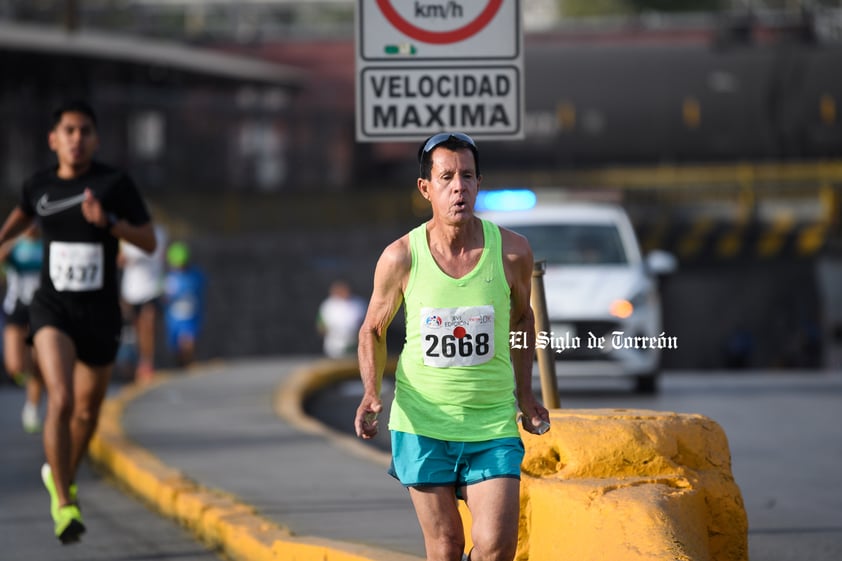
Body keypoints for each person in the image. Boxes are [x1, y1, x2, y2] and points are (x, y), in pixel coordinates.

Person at [353, 132, 550, 561]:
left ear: (480, 183)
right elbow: (373, 328)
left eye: (467, 176)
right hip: (422, 424)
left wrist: (527, 393)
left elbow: (522, 319)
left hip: (492, 424)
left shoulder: (513, 252)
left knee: (497, 548)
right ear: (426, 189)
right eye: (446, 178)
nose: (458, 187)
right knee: (445, 548)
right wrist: (371, 392)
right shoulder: (401, 257)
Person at [0, 100, 157, 544]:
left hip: (100, 313)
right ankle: (66, 502)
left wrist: (108, 222)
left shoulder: (114, 184)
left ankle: (61, 475)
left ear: (96, 138)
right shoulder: (39, 187)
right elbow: (10, 231)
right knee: (63, 398)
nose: (76, 138)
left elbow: (146, 239)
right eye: (68, 130)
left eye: (85, 130)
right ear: (54, 139)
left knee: (88, 412)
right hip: (53, 309)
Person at [1, 225, 45, 433]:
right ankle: (27, 374)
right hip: (16, 308)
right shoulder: (15, 246)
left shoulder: (47, 246)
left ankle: (32, 407)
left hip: (41, 309)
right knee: (15, 365)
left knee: (39, 364)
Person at [119, 225, 167, 383]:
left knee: (149, 324)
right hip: (132, 290)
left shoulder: (159, 233)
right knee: (138, 328)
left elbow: (162, 258)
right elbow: (120, 260)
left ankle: (147, 362)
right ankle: (140, 360)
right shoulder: (125, 235)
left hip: (152, 288)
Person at [163, 241, 205, 368]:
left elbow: (201, 291)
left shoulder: (196, 275)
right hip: (174, 319)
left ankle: (190, 363)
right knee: (176, 348)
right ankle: (181, 365)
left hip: (191, 317)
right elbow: (164, 298)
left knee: (188, 342)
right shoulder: (168, 278)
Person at [316, 279, 366, 358]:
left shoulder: (359, 304)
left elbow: (365, 323)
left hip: (355, 346)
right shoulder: (327, 305)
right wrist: (336, 334)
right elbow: (320, 326)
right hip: (334, 347)